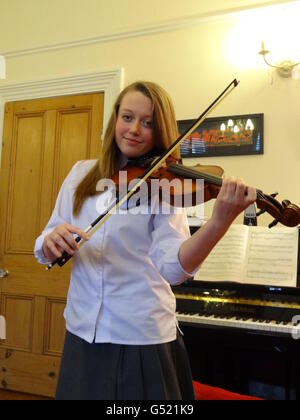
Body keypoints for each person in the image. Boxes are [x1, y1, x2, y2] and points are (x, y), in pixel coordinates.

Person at [34, 81, 256, 400]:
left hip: (139, 337)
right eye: (128, 117)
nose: (134, 129)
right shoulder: (80, 174)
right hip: (81, 331)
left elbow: (173, 270)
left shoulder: (164, 184)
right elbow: (44, 241)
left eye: (148, 123)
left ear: (160, 131)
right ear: (115, 120)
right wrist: (49, 241)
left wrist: (219, 222)